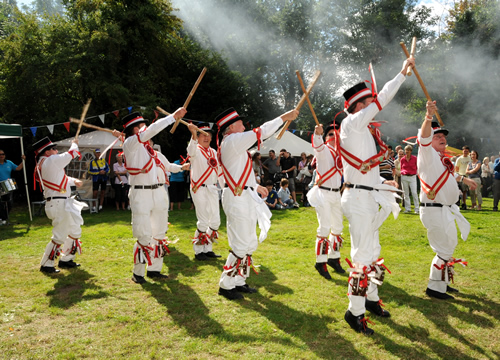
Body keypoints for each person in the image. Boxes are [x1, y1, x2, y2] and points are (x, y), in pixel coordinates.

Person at [339, 56, 415, 335]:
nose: (374, 105)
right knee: (361, 256)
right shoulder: (352, 125)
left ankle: (370, 300)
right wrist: (402, 74)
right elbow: (383, 97)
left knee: (372, 252)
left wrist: (384, 183)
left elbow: (367, 170)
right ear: (359, 107)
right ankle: (353, 312)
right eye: (369, 102)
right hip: (358, 199)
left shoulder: (363, 132)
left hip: (367, 196)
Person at [216, 107, 299, 300]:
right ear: (230, 128)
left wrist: (255, 187)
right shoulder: (231, 141)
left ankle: (239, 280)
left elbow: (240, 173)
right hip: (236, 198)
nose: (244, 126)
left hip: (244, 195)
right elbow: (261, 131)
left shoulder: (235, 145)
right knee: (240, 241)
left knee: (249, 241)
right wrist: (283, 118)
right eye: (240, 123)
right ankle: (226, 285)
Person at [116, 109, 187, 284]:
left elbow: (169, 166)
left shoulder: (154, 152)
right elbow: (152, 129)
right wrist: (172, 117)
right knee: (144, 234)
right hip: (141, 193)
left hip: (159, 192)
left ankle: (155, 269)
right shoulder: (130, 144)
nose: (147, 128)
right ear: (135, 130)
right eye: (143, 126)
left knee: (160, 233)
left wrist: (184, 167)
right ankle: (138, 273)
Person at [417, 101, 477, 300]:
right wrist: (428, 116)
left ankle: (442, 282)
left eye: (444, 136)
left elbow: (449, 176)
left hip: (446, 209)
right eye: (438, 136)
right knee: (443, 249)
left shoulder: (443, 160)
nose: (443, 139)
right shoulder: (426, 154)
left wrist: (464, 178)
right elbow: (424, 137)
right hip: (434, 209)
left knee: (449, 245)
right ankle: (434, 288)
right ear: (430, 141)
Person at [34, 137, 85, 273]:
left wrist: (74, 181)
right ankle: (46, 264)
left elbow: (61, 179)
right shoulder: (50, 160)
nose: (56, 150)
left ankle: (66, 259)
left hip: (61, 201)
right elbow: (71, 154)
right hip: (58, 203)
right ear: (47, 152)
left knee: (74, 229)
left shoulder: (46, 162)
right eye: (54, 148)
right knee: (59, 234)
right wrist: (74, 144)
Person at [307, 123, 345, 280]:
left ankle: (333, 258)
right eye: (330, 134)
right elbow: (317, 145)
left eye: (336, 134)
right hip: (323, 193)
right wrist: (318, 134)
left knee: (338, 227)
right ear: (326, 138)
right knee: (324, 227)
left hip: (337, 194)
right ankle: (320, 262)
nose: (334, 136)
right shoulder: (323, 151)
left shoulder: (341, 154)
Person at [187, 122, 222, 261]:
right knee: (202, 221)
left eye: (208, 135)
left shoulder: (213, 152)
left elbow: (219, 171)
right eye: (202, 135)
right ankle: (198, 251)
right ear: (198, 137)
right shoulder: (195, 150)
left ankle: (208, 249)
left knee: (215, 221)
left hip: (212, 188)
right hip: (199, 188)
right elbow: (190, 150)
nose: (206, 138)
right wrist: (193, 134)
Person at [0, 149, 25, 222]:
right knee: (1, 202)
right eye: (0, 154)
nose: (1, 156)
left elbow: (18, 168)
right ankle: (3, 218)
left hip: (8, 184)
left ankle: (4, 217)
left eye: (3, 154)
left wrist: (23, 161)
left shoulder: (9, 163)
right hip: (0, 184)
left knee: (9, 202)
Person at [400, 145, 419, 214]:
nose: (407, 151)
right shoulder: (402, 159)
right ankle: (407, 209)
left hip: (412, 177)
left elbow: (417, 167)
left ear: (411, 151)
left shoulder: (415, 158)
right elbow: (401, 167)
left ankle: (417, 209)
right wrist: (402, 173)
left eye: (408, 150)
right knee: (405, 193)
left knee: (414, 193)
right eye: (406, 150)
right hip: (404, 177)